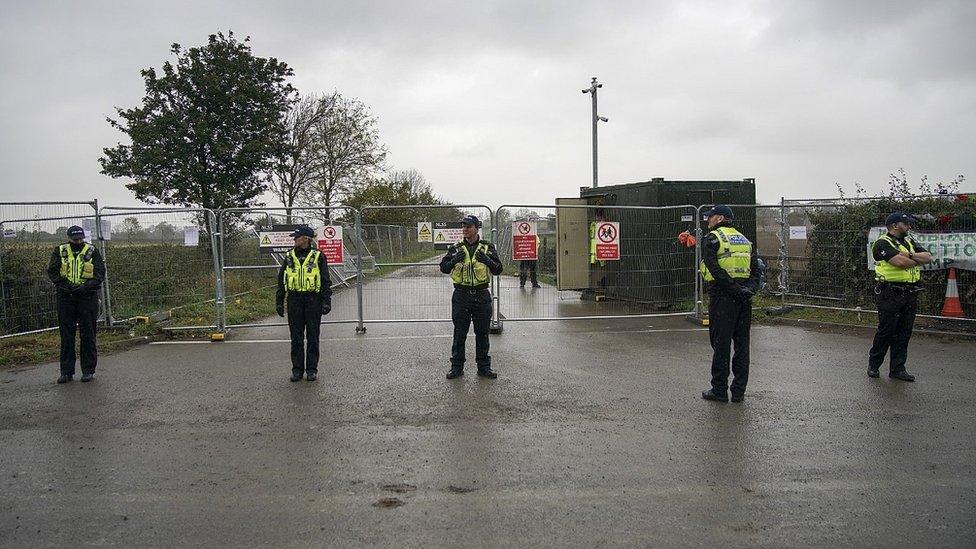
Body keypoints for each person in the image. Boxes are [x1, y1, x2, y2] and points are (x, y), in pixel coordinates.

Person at [698, 205, 761, 403]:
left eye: (710, 217)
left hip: (722, 297)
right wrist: (748, 290)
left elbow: (714, 268)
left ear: (720, 218)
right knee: (742, 346)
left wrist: (733, 289)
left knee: (721, 344)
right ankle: (739, 391)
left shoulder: (713, 239)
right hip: (744, 299)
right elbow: (756, 269)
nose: (707, 220)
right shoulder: (744, 240)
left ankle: (719, 390)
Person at [868, 212, 932, 382]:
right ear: (895, 225)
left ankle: (897, 369)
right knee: (886, 331)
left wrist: (909, 255)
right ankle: (874, 365)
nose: (909, 226)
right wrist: (914, 259)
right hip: (889, 292)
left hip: (910, 292)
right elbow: (899, 263)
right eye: (906, 224)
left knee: (904, 332)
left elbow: (928, 257)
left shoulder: (909, 241)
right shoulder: (882, 243)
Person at [439, 215, 503, 379]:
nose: (464, 229)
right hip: (461, 295)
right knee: (459, 334)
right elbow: (444, 268)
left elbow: (498, 269)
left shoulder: (488, 247)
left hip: (482, 296)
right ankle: (456, 367)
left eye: (468, 226)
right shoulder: (456, 247)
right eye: (463, 226)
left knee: (482, 334)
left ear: (476, 228)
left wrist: (487, 260)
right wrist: (453, 260)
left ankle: (484, 367)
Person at [47, 225, 105, 384]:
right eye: (75, 239)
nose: (78, 241)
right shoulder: (60, 251)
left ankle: (88, 371)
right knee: (67, 336)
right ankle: (66, 372)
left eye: (81, 239)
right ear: (69, 238)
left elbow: (100, 273)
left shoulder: (92, 251)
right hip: (66, 297)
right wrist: (68, 286)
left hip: (87, 297)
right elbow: (53, 272)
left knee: (88, 334)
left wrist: (86, 286)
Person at [276, 225, 332, 382]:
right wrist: (279, 301)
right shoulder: (288, 256)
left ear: (306, 239)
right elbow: (281, 280)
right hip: (294, 300)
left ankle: (312, 369)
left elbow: (325, 280)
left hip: (313, 300)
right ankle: (297, 370)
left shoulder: (318, 256)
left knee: (313, 336)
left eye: (297, 237)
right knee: (296, 337)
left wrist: (326, 301)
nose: (294, 239)